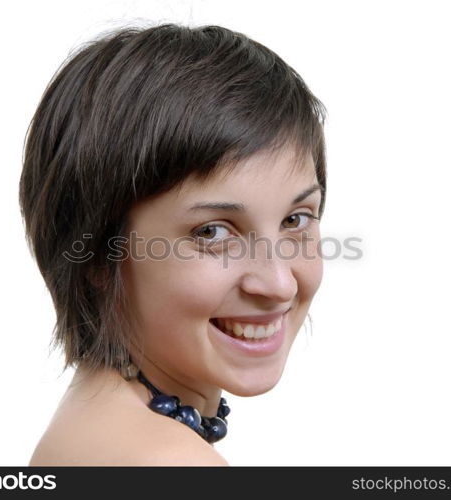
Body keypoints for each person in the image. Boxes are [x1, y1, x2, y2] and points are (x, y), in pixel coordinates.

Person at [19, 22, 327, 466]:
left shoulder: (97, 419)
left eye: (295, 220)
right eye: (212, 232)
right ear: (97, 256)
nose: (279, 283)